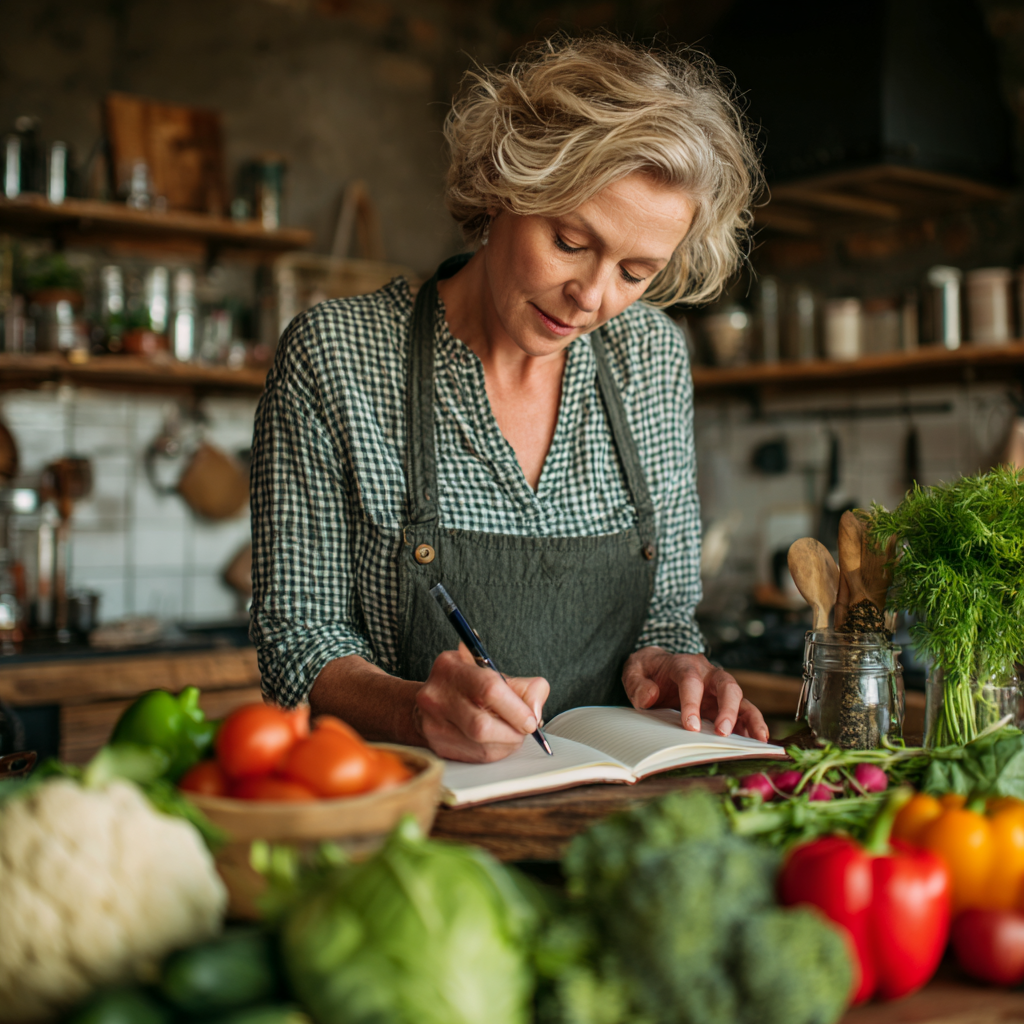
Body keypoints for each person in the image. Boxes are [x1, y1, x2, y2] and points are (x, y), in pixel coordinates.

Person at [250, 35, 769, 763]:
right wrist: (411, 709)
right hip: (411, 813)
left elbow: (665, 615)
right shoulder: (337, 356)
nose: (590, 297)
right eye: (569, 241)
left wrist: (671, 664)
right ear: (503, 188)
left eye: (635, 271)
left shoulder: (650, 358)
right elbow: (296, 640)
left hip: (612, 806)